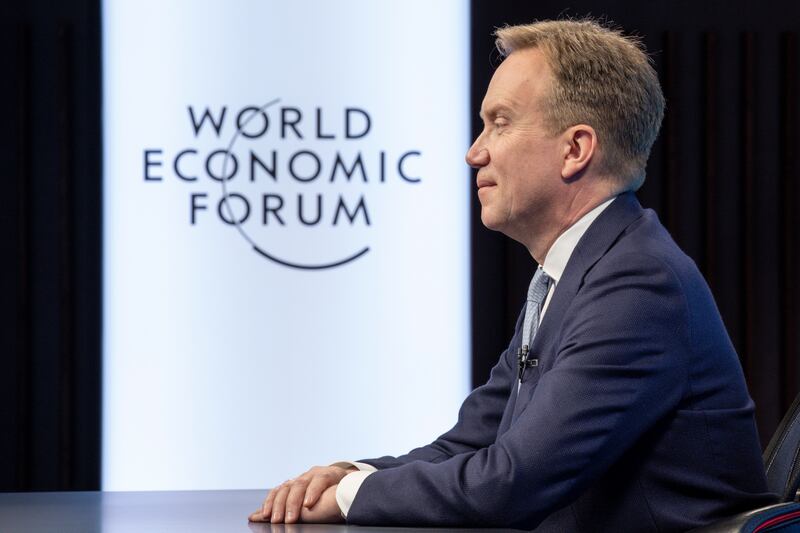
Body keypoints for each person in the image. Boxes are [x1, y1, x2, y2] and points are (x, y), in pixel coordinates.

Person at [249, 18, 776, 531]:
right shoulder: (578, 268)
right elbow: (472, 444)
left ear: (575, 149)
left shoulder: (637, 283)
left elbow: (510, 485)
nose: (474, 152)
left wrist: (349, 498)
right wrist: (353, 475)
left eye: (499, 122)